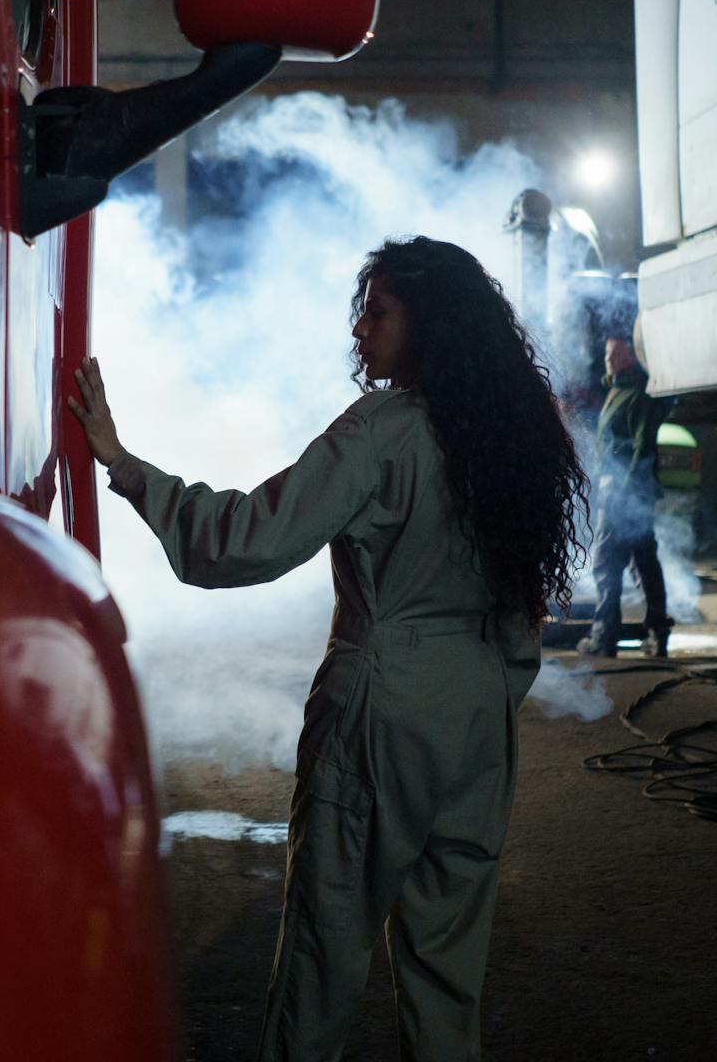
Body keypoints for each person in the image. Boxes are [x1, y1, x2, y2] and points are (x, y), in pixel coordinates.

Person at [67, 237, 587, 1062]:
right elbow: (523, 614)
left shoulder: (383, 431)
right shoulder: (512, 435)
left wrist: (127, 468)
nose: (359, 332)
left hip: (384, 705)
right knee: (448, 972)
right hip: (479, 712)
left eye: (377, 312)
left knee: (324, 951)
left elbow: (248, 542)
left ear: (429, 325)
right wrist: (482, 691)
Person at [577, 335, 673, 659]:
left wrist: (622, 491)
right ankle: (657, 636)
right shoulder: (617, 390)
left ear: (631, 355)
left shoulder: (638, 394)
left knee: (607, 564)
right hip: (630, 492)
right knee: (644, 562)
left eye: (614, 352)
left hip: (626, 493)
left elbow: (643, 446)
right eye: (606, 353)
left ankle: (604, 637)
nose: (608, 358)